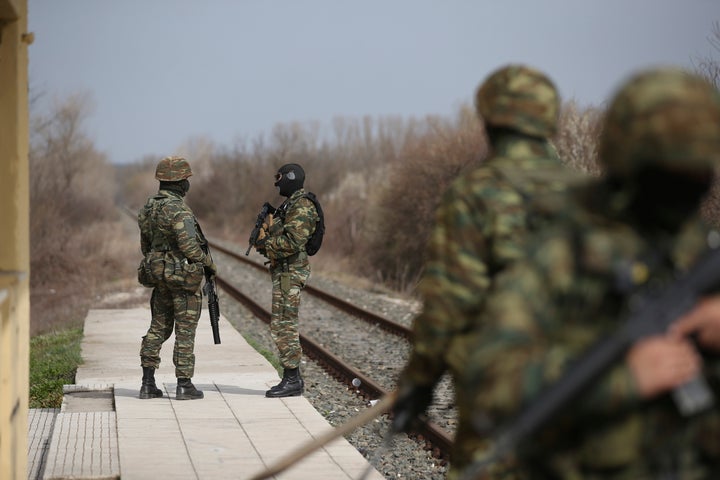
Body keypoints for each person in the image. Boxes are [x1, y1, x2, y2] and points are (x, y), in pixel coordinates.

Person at [458, 68, 720, 479]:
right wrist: (624, 380)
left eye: (693, 173)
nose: (681, 193)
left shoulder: (703, 254)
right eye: (666, 174)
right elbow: (490, 379)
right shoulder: (566, 249)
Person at [390, 64, 584, 476]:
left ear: (490, 120)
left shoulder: (475, 194)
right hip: (583, 388)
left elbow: (448, 307)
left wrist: (419, 382)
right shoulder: (588, 195)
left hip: (499, 395)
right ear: (547, 119)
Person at [137, 155, 216, 401]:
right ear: (180, 182)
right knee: (185, 329)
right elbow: (190, 247)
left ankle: (147, 383)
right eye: (186, 180)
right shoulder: (179, 210)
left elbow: (145, 246)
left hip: (158, 276)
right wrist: (209, 265)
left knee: (157, 327)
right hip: (182, 279)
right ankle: (184, 384)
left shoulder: (148, 208)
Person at [255, 163, 319, 398]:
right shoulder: (289, 205)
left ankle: (292, 379)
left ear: (291, 178)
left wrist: (265, 244)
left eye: (279, 177)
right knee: (282, 322)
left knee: (284, 324)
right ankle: (293, 378)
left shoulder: (301, 206)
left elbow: (293, 242)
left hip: (290, 273)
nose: (276, 183)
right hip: (284, 271)